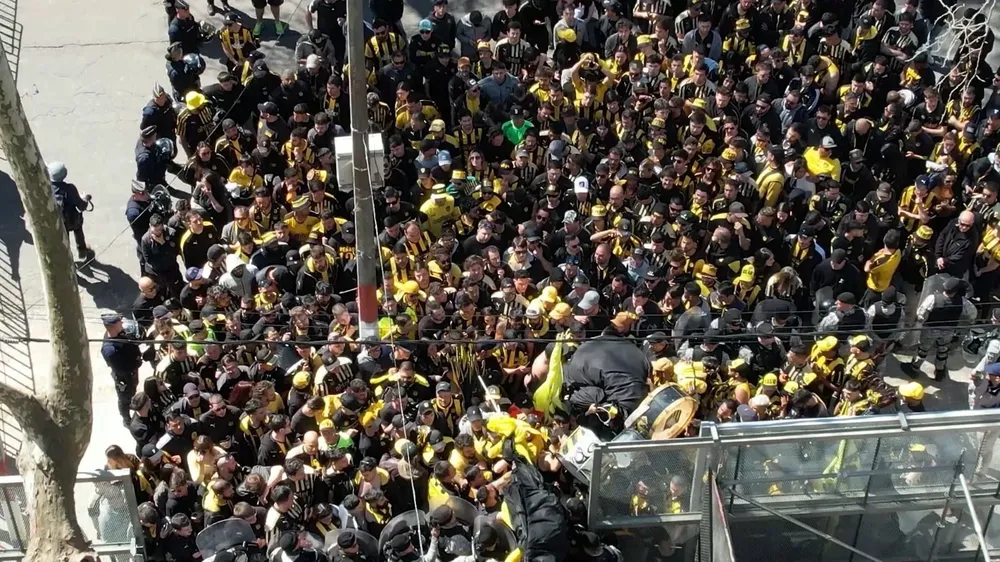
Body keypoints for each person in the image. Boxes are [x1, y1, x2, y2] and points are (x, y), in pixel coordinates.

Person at [101, 314, 143, 426]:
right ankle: (126, 418)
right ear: (113, 326)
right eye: (119, 321)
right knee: (125, 398)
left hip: (132, 372)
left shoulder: (119, 334)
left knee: (133, 391)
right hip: (124, 378)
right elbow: (122, 369)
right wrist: (137, 362)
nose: (122, 322)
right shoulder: (110, 350)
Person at [48, 162, 94, 261]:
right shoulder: (70, 188)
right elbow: (81, 206)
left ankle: (67, 258)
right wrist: (85, 198)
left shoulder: (46, 187)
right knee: (78, 232)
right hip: (73, 220)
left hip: (57, 221)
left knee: (64, 239)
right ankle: (82, 251)